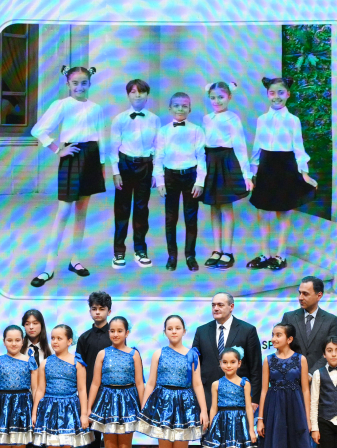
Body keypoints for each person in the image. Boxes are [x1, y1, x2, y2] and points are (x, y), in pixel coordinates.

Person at [29, 65, 107, 287]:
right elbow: (38, 130)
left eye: (84, 83)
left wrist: (102, 164)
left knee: (82, 212)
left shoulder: (96, 108)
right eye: (75, 83)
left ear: (90, 83)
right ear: (68, 84)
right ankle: (49, 267)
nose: (79, 87)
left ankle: (75, 260)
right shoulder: (61, 105)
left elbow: (102, 136)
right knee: (63, 213)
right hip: (72, 157)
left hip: (92, 158)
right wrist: (57, 150)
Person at [191, 292, 262, 448]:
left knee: (242, 440)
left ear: (231, 307)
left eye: (220, 305)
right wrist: (200, 401)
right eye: (213, 304)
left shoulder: (247, 330)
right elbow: (196, 366)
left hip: (239, 398)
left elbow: (255, 367)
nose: (216, 308)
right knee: (215, 439)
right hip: (210, 395)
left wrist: (254, 399)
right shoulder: (202, 331)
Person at [137, 315, 208, 448]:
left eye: (178, 328)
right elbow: (151, 382)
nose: (174, 331)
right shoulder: (158, 354)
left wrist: (203, 409)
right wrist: (144, 407)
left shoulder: (192, 355)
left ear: (184, 331)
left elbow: (197, 384)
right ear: (164, 332)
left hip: (184, 405)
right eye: (170, 328)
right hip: (162, 405)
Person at [246, 76, 317, 270]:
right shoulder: (262, 119)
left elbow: (298, 147)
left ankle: (280, 255)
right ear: (267, 95)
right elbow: (257, 146)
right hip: (266, 166)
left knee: (282, 211)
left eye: (281, 92)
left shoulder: (293, 121)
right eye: (272, 93)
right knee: (263, 211)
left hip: (285, 167)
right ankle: (265, 254)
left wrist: (304, 172)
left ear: (288, 94)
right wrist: (252, 172)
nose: (276, 96)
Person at [281, 275, 337, 448]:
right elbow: (285, 348)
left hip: (319, 383)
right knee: (296, 433)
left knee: (319, 434)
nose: (300, 297)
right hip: (293, 384)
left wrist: (311, 373)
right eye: (299, 292)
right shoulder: (289, 317)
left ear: (319, 295)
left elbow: (330, 351)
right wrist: (299, 372)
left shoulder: (330, 319)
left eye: (305, 293)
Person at [31, 325, 94, 448]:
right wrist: (35, 411)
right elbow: (40, 389)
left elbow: (82, 390)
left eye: (59, 338)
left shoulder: (77, 363)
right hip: (49, 410)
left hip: (69, 410)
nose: (55, 341)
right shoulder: (45, 363)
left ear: (69, 341)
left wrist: (84, 414)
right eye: (53, 338)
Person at [86, 316, 144, 448]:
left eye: (120, 331)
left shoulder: (134, 354)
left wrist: (143, 408)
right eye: (112, 331)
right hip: (107, 401)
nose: (116, 334)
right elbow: (95, 383)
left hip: (128, 402)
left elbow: (139, 383)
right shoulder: (102, 354)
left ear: (127, 333)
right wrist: (88, 408)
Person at [256, 323, 312, 448]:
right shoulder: (268, 360)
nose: (274, 338)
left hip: (295, 409)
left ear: (289, 339)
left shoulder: (300, 359)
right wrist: (260, 418)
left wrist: (308, 418)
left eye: (278, 335)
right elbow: (264, 391)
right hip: (274, 410)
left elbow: (306, 390)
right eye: (273, 335)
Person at [201, 81, 252, 270]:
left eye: (221, 97)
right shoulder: (207, 118)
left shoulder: (233, 118)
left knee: (226, 206)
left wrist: (246, 174)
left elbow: (240, 146)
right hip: (210, 161)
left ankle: (228, 251)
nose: (217, 101)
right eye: (213, 98)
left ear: (229, 97)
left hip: (226, 161)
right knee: (214, 206)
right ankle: (217, 249)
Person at [110, 78, 160, 269]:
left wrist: (157, 173)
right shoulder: (120, 119)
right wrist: (115, 172)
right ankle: (119, 251)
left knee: (141, 209)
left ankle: (140, 249)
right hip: (125, 165)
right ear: (128, 95)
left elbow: (158, 147)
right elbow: (113, 148)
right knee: (122, 209)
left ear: (147, 95)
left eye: (141, 92)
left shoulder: (154, 119)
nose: (137, 95)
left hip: (145, 166)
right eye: (133, 92)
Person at [153, 91, 205, 271]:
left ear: (190, 109)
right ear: (170, 108)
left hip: (191, 176)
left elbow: (201, 157)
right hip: (170, 177)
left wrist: (200, 182)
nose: (180, 109)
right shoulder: (163, 131)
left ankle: (190, 255)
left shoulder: (197, 130)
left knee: (191, 218)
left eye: (184, 106)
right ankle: (172, 256)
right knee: (170, 218)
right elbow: (158, 157)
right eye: (176, 106)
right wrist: (160, 181)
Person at [201, 347, 257, 448]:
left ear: (239, 363)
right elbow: (213, 407)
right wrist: (211, 426)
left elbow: (248, 407)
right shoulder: (216, 384)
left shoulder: (245, 383)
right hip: (222, 425)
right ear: (220, 364)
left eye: (232, 362)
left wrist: (251, 429)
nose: (228, 365)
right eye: (225, 362)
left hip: (239, 425)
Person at [75, 291, 112, 448]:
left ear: (109, 311)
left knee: (115, 443)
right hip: (91, 396)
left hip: (114, 396)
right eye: (94, 309)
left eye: (101, 309)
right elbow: (80, 370)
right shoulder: (84, 338)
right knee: (92, 443)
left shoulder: (115, 334)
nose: (97, 312)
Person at [20, 309, 51, 448]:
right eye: (27, 323)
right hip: (22, 402)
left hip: (45, 403)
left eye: (35, 323)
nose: (31, 327)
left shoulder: (50, 349)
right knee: (22, 446)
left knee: (41, 447)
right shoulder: (18, 346)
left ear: (41, 325)